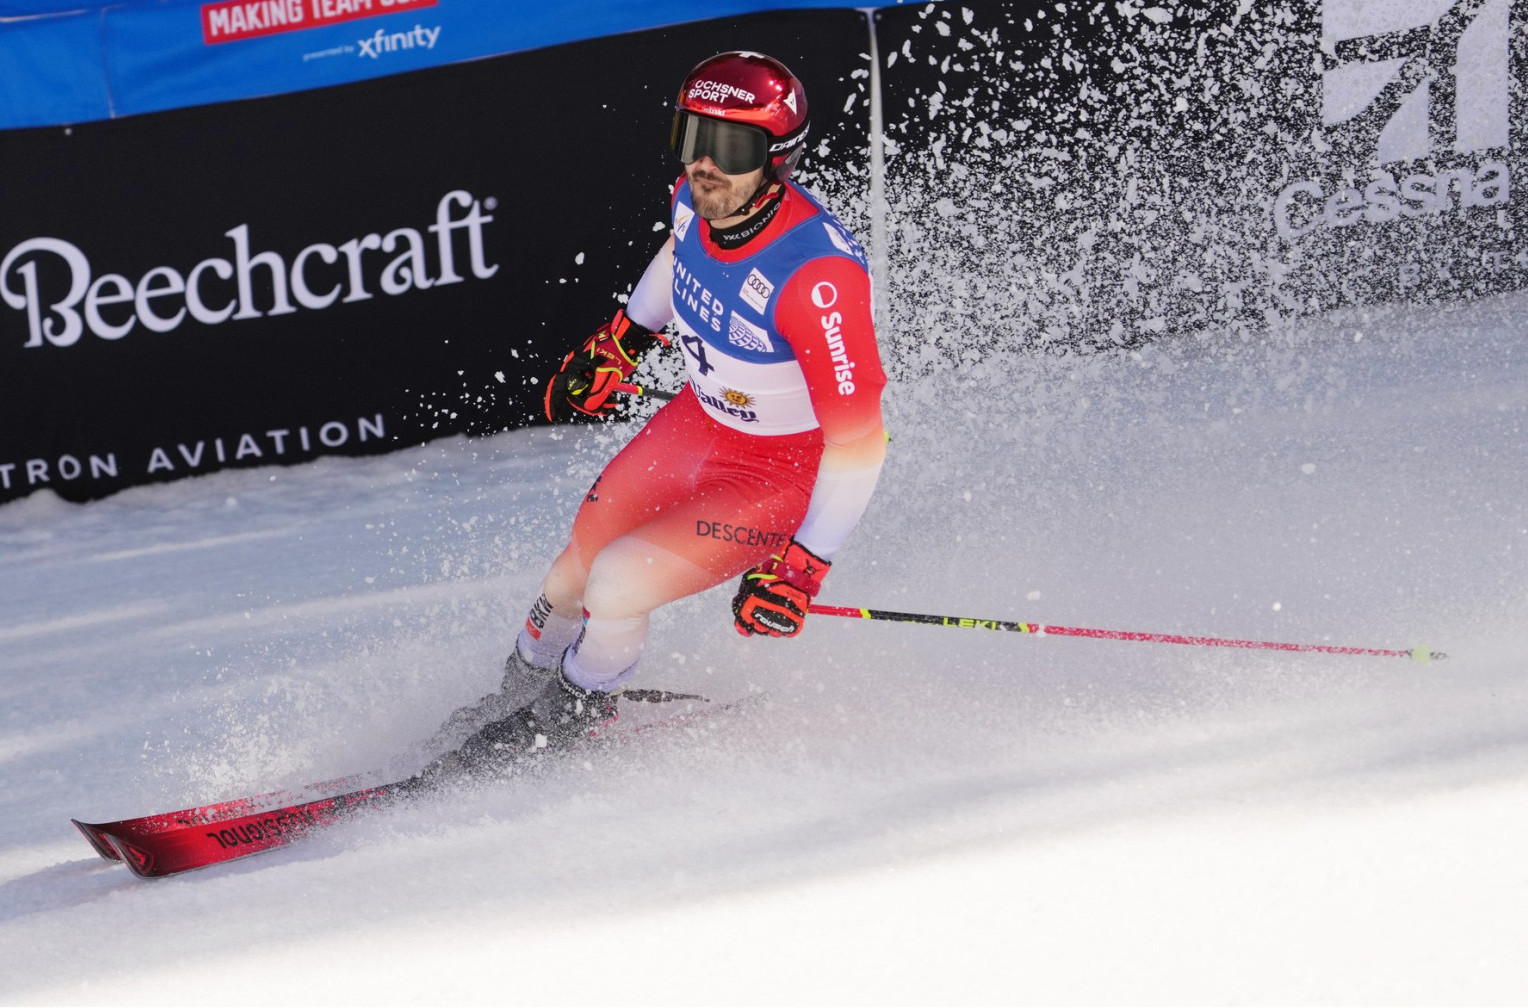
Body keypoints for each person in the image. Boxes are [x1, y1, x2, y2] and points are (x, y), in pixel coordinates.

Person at [422, 50, 887, 779]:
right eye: (691, 136)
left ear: (778, 158)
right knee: (574, 567)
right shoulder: (693, 198)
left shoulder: (817, 277)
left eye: (730, 148)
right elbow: (680, 258)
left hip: (778, 473)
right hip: (699, 423)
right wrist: (624, 341)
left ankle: (571, 713)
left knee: (616, 582)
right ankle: (518, 693)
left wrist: (803, 567)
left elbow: (860, 444)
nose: (704, 164)